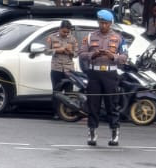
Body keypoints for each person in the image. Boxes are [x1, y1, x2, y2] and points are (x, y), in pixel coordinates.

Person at [78, 10, 129, 147]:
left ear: (111, 23)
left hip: (110, 74)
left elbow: (124, 57)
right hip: (94, 74)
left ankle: (114, 132)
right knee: (93, 104)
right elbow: (81, 53)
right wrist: (92, 55)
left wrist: (113, 56)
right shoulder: (89, 37)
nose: (103, 26)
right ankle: (92, 132)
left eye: (106, 23)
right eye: (101, 23)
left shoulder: (119, 38)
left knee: (111, 104)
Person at [45, 21, 79, 113]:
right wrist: (57, 50)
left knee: (69, 91)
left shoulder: (73, 39)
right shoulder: (52, 37)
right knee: (57, 91)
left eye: (68, 32)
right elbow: (46, 51)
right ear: (60, 29)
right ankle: (56, 112)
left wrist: (71, 52)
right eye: (64, 32)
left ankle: (67, 112)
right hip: (56, 68)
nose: (66, 34)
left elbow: (76, 54)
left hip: (69, 69)